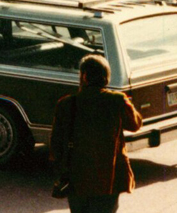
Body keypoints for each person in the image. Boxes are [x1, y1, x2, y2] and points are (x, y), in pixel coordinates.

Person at [50, 55, 142, 213]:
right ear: (106, 77)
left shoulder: (66, 104)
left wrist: (61, 170)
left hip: (77, 179)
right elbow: (135, 124)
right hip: (109, 180)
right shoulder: (117, 100)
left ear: (84, 76)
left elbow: (56, 144)